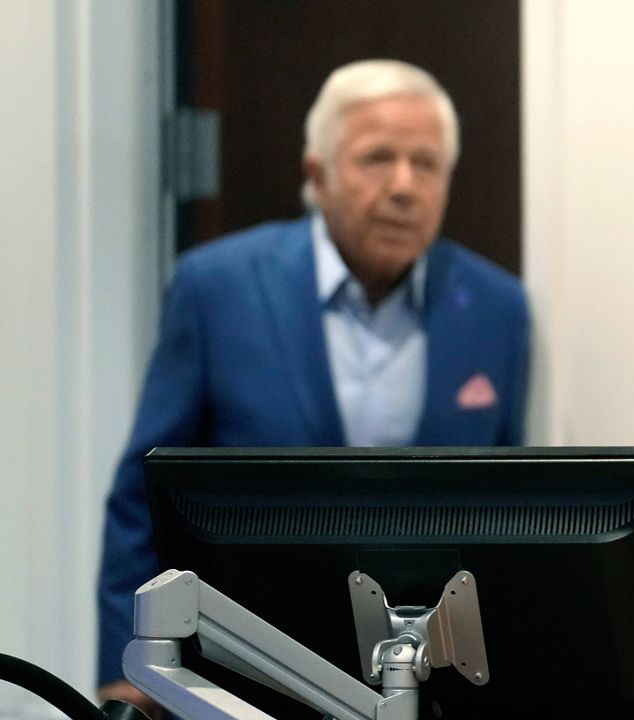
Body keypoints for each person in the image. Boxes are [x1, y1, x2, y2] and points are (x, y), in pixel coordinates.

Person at [96, 59, 529, 710]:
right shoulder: (216, 289)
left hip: (435, 679)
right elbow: (139, 496)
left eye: (427, 163)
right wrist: (128, 663)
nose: (405, 186)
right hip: (247, 666)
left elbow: (515, 507)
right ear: (317, 174)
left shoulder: (497, 307)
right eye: (377, 158)